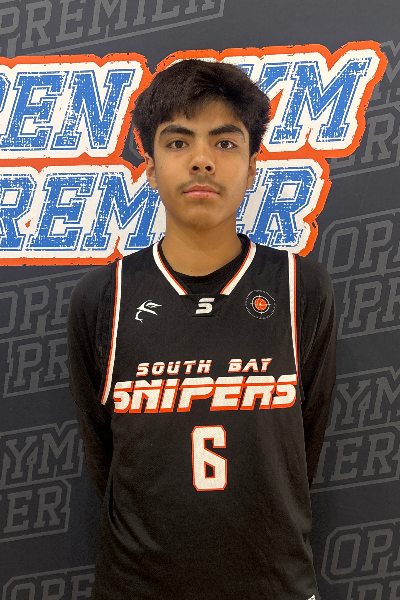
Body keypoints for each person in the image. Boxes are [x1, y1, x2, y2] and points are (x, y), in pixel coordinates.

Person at [68, 59, 336, 600]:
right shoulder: (104, 296)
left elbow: (303, 444)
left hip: (274, 585)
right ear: (149, 166)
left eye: (225, 142)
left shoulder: (299, 286)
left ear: (253, 167)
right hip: (137, 587)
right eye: (177, 142)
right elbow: (105, 455)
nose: (201, 160)